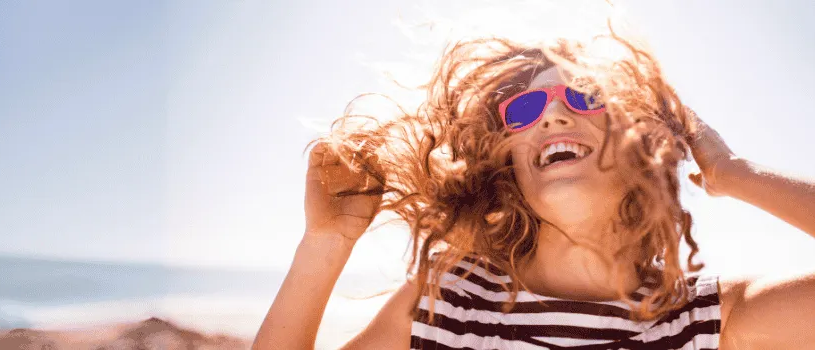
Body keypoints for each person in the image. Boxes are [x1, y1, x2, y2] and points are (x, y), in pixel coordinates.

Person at [251, 33, 815, 350]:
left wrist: (732, 171)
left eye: (586, 97)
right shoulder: (449, 302)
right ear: (510, 164)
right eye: (524, 109)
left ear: (644, 147)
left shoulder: (706, 322)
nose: (550, 116)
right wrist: (324, 245)